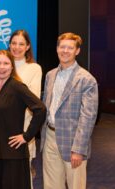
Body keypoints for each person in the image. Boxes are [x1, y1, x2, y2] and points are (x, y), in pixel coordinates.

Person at [41, 32, 99, 189]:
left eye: (70, 47)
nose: (65, 51)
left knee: (75, 186)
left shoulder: (86, 79)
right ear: (57, 48)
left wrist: (79, 149)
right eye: (62, 47)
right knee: (51, 185)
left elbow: (88, 117)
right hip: (50, 138)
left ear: (77, 51)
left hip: (73, 142)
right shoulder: (50, 75)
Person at [0, 50, 46, 189]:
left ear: (12, 67)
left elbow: (40, 109)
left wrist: (26, 136)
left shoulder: (17, 87)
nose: (2, 67)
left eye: (6, 63)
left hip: (13, 153)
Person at [8, 29, 42, 188]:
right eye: (14, 43)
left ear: (28, 46)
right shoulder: (1, 65)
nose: (17, 47)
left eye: (21, 44)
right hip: (2, 130)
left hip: (23, 130)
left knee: (24, 177)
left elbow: (33, 100)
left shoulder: (34, 68)